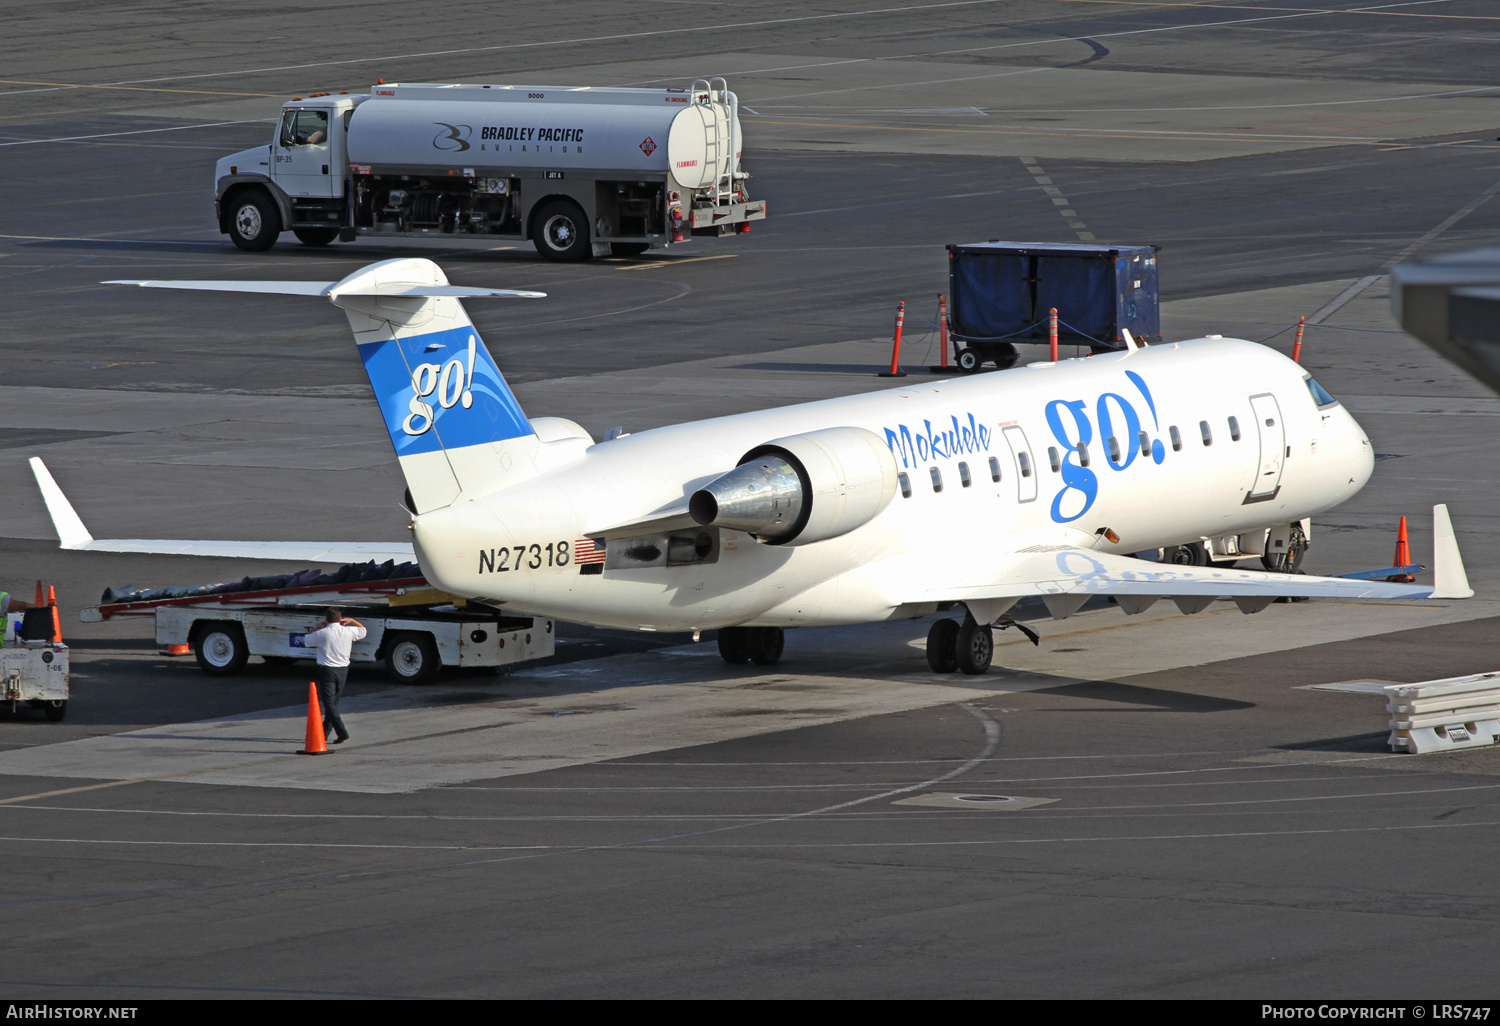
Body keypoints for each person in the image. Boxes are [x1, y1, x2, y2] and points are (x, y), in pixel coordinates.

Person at [300, 608, 366, 744]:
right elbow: (363, 631)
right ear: (341, 619)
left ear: (327, 619)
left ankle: (342, 732)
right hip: (343, 670)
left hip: (328, 671)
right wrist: (353, 620)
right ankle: (324, 733)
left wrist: (316, 627)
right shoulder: (349, 631)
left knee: (329, 704)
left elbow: (306, 640)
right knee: (333, 703)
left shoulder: (322, 633)